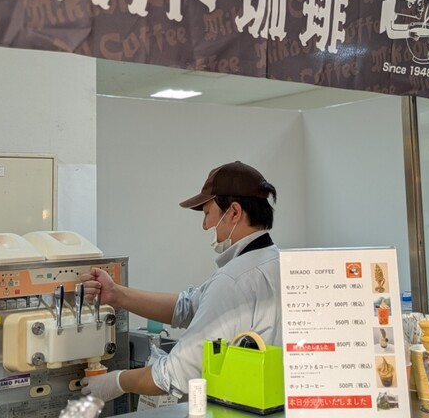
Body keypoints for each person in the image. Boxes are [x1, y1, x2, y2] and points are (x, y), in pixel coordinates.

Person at [80, 160, 281, 402]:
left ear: (234, 212)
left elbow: (177, 374)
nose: (205, 225)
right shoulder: (274, 262)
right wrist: (116, 294)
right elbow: (188, 307)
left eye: (207, 214)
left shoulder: (234, 280)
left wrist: (117, 382)